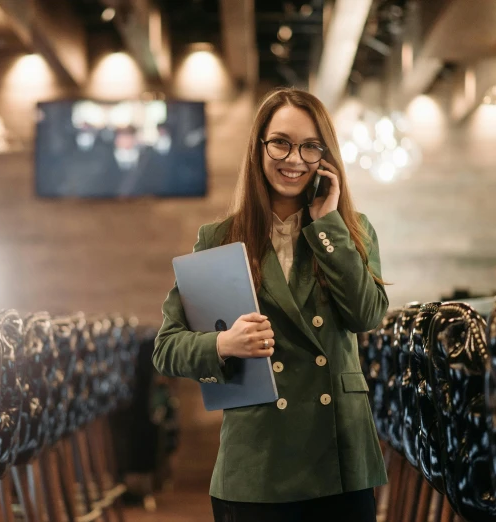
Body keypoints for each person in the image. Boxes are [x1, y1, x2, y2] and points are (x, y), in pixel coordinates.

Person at [152, 87, 389, 522]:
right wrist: (224, 343)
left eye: (310, 146)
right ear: (259, 148)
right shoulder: (219, 239)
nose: (294, 159)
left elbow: (366, 315)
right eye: (281, 142)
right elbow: (166, 348)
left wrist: (328, 224)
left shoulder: (351, 230)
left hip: (339, 456)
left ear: (326, 156)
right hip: (258, 462)